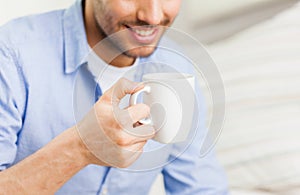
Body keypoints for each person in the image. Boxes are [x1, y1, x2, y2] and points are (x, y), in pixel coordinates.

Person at [0, 0, 228, 194]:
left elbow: (201, 187)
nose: (153, 16)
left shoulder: (174, 66)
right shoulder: (12, 55)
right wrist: (80, 148)